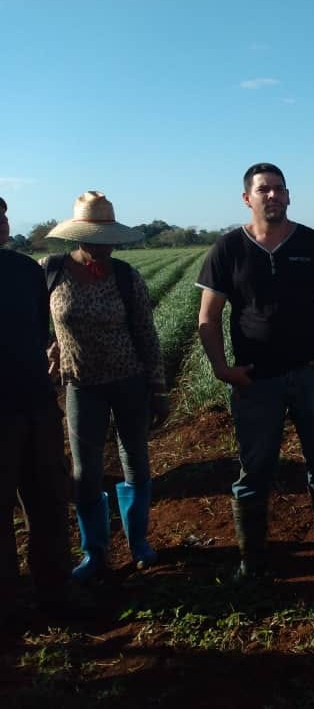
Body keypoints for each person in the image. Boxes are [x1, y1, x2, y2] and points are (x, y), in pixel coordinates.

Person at [196, 163, 314, 582]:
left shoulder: (312, 243)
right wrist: (221, 369)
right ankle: (252, 560)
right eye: (263, 190)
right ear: (247, 198)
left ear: (288, 196)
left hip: (310, 373)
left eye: (279, 190)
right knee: (255, 468)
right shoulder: (228, 249)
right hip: (257, 380)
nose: (272, 196)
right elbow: (209, 317)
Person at [44, 191, 169, 582]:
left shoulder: (126, 276)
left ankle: (138, 543)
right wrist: (49, 349)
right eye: (95, 240)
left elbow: (146, 334)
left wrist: (158, 386)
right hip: (80, 385)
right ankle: (94, 552)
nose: (103, 248)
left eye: (108, 240)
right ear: (77, 238)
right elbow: (32, 319)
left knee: (135, 461)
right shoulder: (50, 271)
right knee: (86, 472)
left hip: (129, 380)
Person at [0, 196, 73, 620]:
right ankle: (8, 604)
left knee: (48, 501)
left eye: (4, 214)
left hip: (37, 404)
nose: (2, 222)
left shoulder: (26, 270)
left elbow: (41, 333)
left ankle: (56, 593)